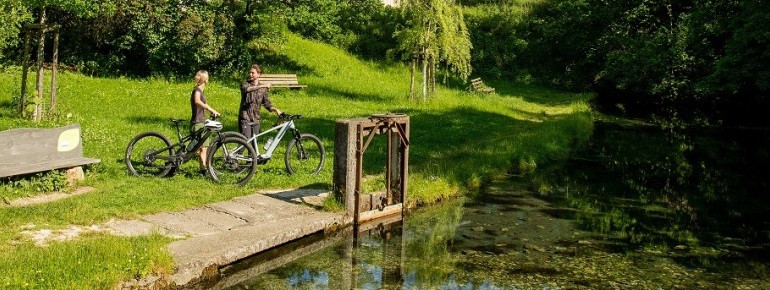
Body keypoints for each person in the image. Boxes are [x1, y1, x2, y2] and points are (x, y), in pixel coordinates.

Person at [239, 64, 282, 141]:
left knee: (254, 146)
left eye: (253, 73)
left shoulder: (263, 89)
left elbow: (267, 103)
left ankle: (252, 154)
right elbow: (247, 89)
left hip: (256, 119)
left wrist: (275, 109)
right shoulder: (245, 84)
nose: (250, 74)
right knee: (245, 141)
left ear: (258, 74)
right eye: (250, 72)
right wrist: (263, 85)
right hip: (245, 117)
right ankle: (236, 153)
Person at [190, 70, 220, 174]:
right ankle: (204, 169)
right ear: (205, 80)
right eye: (207, 77)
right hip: (197, 122)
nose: (208, 79)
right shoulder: (197, 90)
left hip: (201, 121)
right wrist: (210, 109)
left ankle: (203, 169)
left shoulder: (201, 91)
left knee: (204, 148)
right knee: (200, 148)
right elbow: (197, 101)